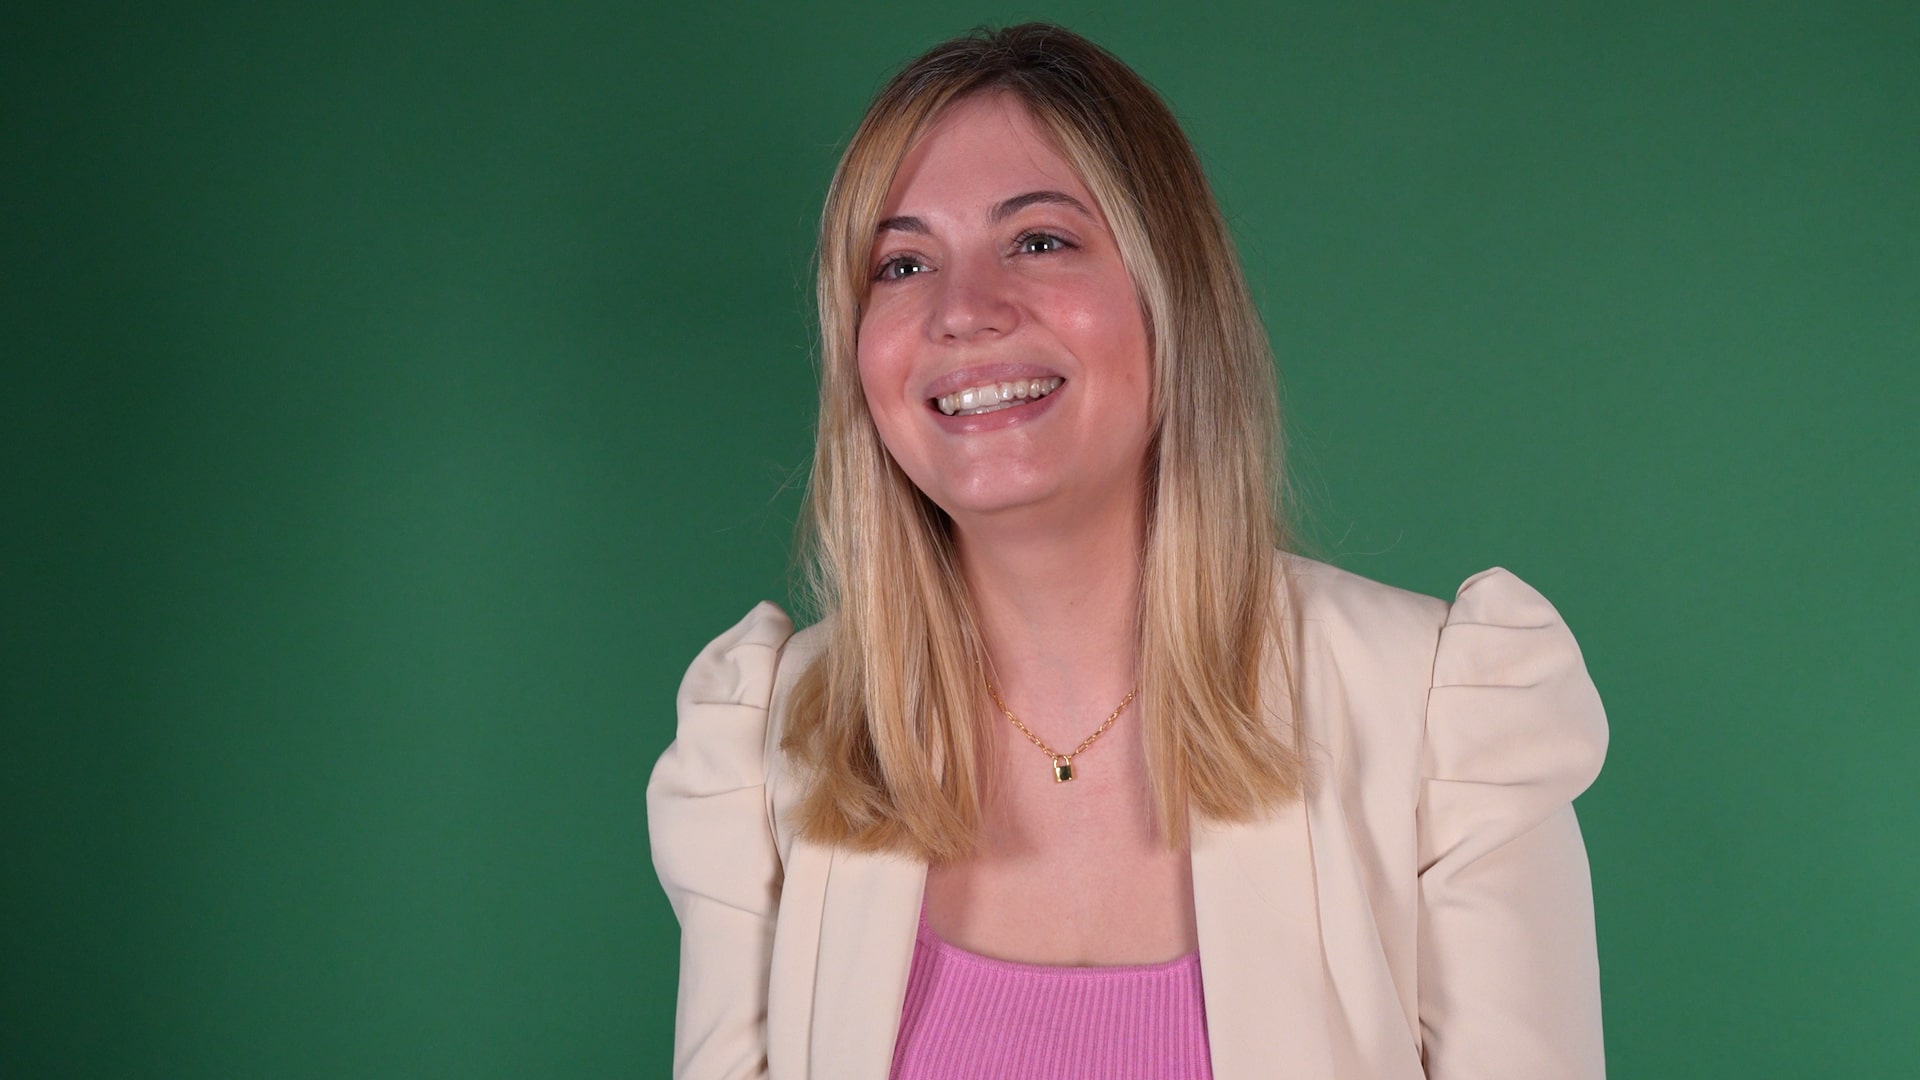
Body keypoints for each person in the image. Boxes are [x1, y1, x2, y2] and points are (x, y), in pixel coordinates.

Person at [648, 21, 1608, 1080]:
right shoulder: (769, 746)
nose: (964, 311)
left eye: (1040, 240)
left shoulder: (1441, 719)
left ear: (1171, 295)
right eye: (903, 261)